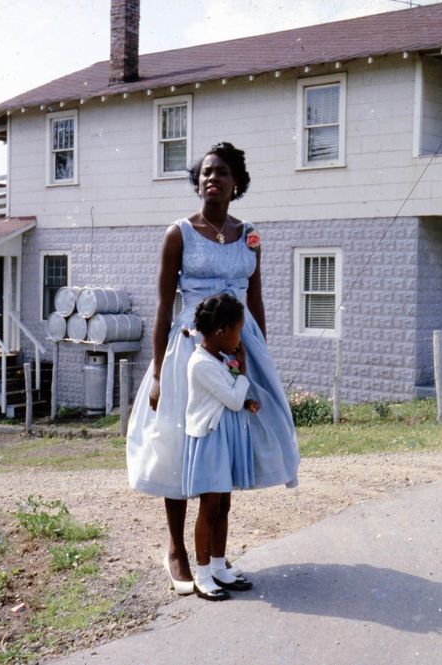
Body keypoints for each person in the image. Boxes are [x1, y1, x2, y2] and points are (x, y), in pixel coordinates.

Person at [127, 141, 300, 594]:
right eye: (205, 172)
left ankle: (216, 557)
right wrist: (161, 372)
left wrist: (258, 355)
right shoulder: (178, 234)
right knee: (178, 443)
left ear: (235, 182)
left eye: (221, 172)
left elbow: (256, 300)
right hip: (191, 350)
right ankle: (177, 550)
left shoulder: (250, 235)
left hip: (239, 347)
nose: (212, 178)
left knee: (224, 443)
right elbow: (164, 307)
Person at [183, 294, 258, 600]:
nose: (240, 338)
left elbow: (233, 395)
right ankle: (202, 574)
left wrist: (242, 388)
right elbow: (232, 397)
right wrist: (244, 371)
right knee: (209, 507)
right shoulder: (201, 363)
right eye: (238, 331)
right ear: (220, 331)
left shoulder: (220, 359)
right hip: (210, 440)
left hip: (224, 438)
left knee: (223, 505)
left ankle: (218, 567)